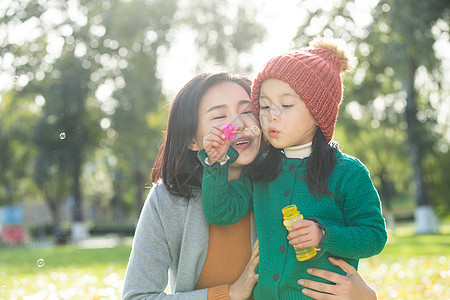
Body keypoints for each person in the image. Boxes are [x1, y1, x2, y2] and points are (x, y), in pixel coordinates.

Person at [122, 71, 379, 300]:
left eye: (248, 111)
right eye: (220, 116)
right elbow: (138, 296)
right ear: (192, 139)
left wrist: (366, 297)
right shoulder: (167, 201)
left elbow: (361, 237)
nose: (241, 125)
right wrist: (228, 294)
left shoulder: (284, 179)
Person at [199, 37, 387, 300]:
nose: (271, 115)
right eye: (263, 106)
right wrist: (217, 163)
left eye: (286, 105)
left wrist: (324, 235)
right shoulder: (261, 170)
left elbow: (374, 236)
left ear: (318, 112)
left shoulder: (348, 173)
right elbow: (220, 212)